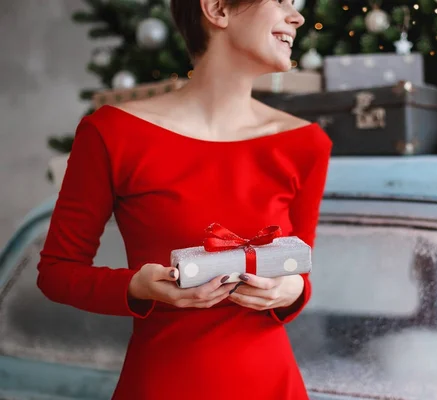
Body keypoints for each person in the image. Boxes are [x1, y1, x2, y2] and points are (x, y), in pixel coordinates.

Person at [36, 0, 332, 399]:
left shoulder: (306, 144)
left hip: (273, 384)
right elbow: (56, 272)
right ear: (218, 10)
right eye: (279, 1)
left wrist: (292, 290)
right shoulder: (113, 134)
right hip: (162, 383)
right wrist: (137, 287)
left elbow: (300, 271)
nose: (296, 17)